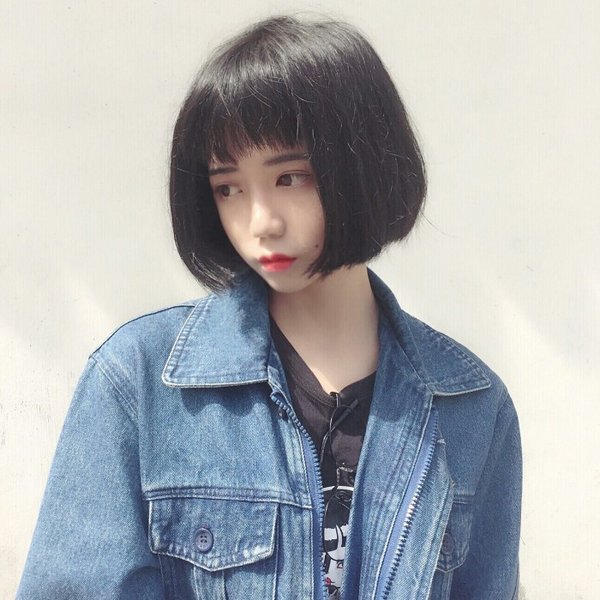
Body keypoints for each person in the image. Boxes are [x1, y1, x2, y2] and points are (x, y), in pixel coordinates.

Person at [17, 15, 521, 600]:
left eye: (290, 178)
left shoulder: (473, 408)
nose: (260, 222)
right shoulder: (139, 383)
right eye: (228, 188)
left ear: (366, 166)